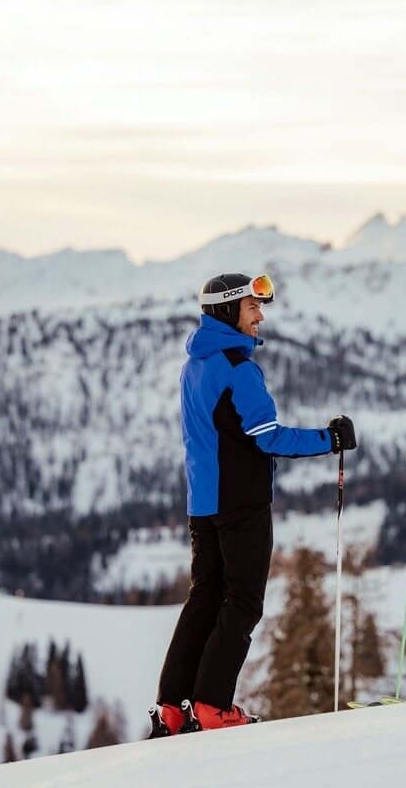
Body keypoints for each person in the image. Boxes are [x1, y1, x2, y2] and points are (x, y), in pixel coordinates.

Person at [152, 272, 357, 735]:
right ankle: (211, 705)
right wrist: (330, 439)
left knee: (204, 597)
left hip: (202, 501)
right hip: (241, 501)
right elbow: (267, 437)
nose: (260, 316)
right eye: (251, 308)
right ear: (228, 311)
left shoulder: (195, 365)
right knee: (242, 601)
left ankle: (173, 705)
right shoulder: (238, 368)